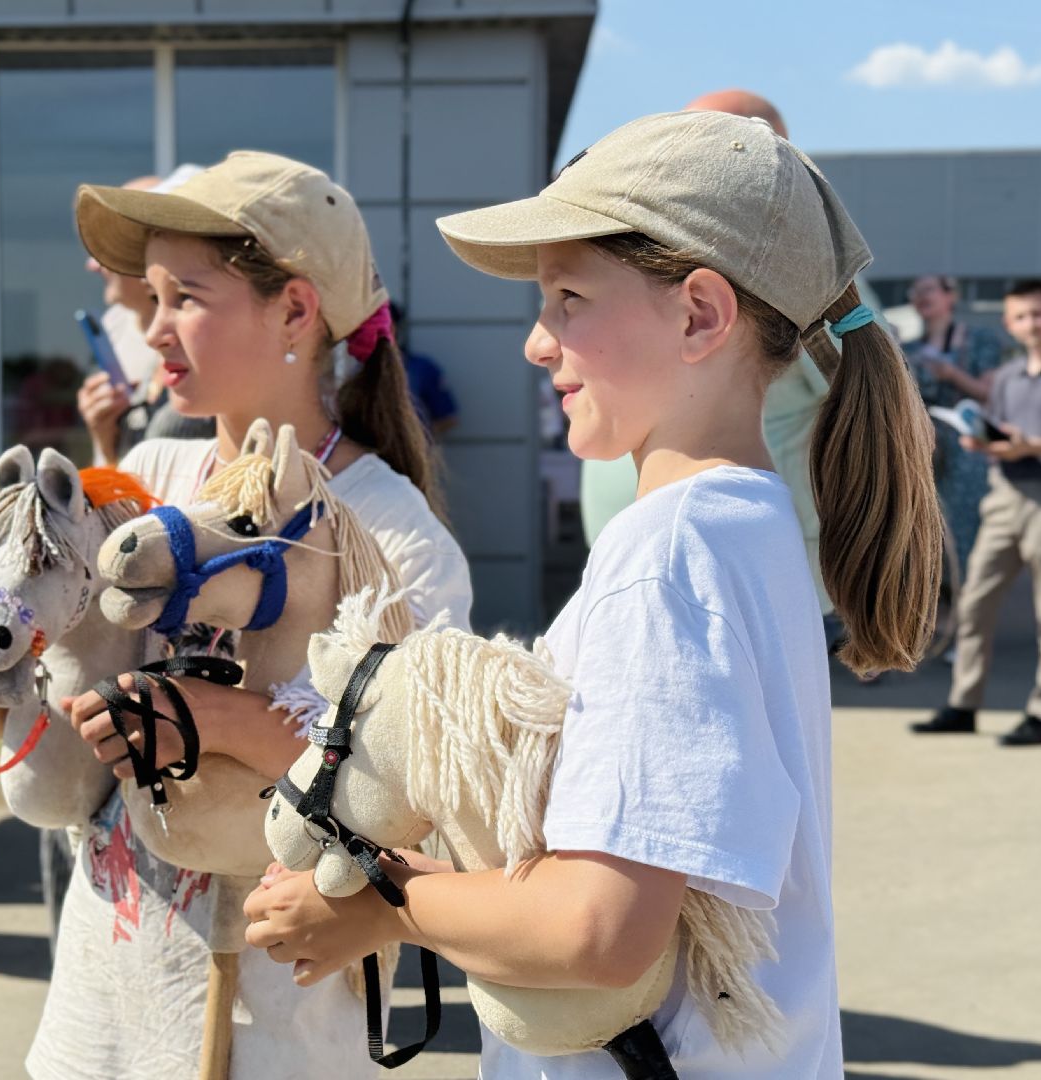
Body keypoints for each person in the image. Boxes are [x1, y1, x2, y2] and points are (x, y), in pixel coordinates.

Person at [243, 111, 941, 1078]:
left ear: (700, 314)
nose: (537, 342)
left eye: (568, 296)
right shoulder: (745, 523)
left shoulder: (665, 553)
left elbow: (600, 928)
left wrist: (378, 901)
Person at [0, 150, 473, 1078]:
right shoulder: (146, 480)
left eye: (186, 297)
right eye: (149, 300)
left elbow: (415, 792)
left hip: (273, 1022)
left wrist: (212, 720)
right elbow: (40, 738)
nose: (155, 331)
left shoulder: (389, 530)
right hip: (106, 990)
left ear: (295, 310)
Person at [576, 89, 840, 618]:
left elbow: (856, 374)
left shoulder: (802, 274)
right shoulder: (639, 249)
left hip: (724, 571)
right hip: (644, 555)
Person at [914, 280, 1041, 745]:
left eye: (1039, 313)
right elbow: (997, 433)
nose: (1032, 323)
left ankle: (1040, 713)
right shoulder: (1007, 377)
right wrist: (982, 441)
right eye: (1023, 316)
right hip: (1003, 497)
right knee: (973, 605)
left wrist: (1029, 445)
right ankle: (963, 705)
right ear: (1009, 323)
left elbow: (1026, 440)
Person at [76, 166, 214, 468]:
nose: (155, 336)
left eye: (186, 297)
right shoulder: (116, 324)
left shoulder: (212, 381)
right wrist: (106, 440)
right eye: (157, 297)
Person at [904, 274, 1004, 573]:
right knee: (920, 523)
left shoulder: (980, 340)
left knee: (963, 523)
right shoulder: (907, 347)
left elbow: (988, 392)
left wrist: (952, 375)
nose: (921, 295)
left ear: (951, 296)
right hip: (923, 442)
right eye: (916, 291)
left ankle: (965, 599)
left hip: (966, 444)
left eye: (929, 289)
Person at [389, 301, 459, 439]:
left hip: (410, 455)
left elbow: (449, 418)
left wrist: (415, 440)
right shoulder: (353, 370)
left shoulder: (420, 369)